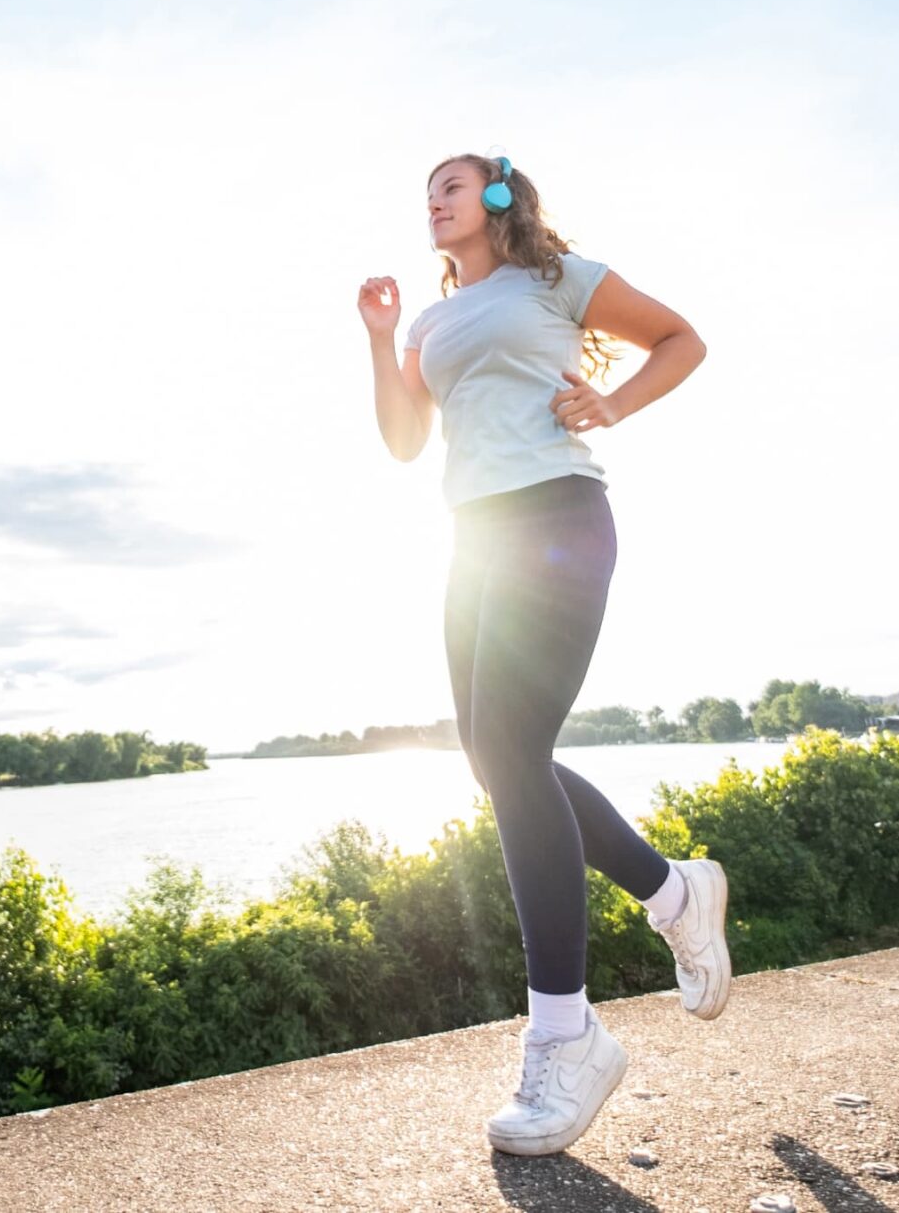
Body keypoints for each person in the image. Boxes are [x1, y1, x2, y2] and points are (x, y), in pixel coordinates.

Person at [355, 152, 731, 1157]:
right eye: (422, 193)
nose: (431, 202)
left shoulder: (557, 278)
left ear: (492, 197)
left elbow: (679, 339)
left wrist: (612, 404)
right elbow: (402, 441)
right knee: (496, 760)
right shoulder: (431, 322)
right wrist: (384, 337)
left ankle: (566, 1034)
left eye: (449, 186)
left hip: (559, 517)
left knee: (512, 754)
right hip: (471, 541)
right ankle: (673, 891)